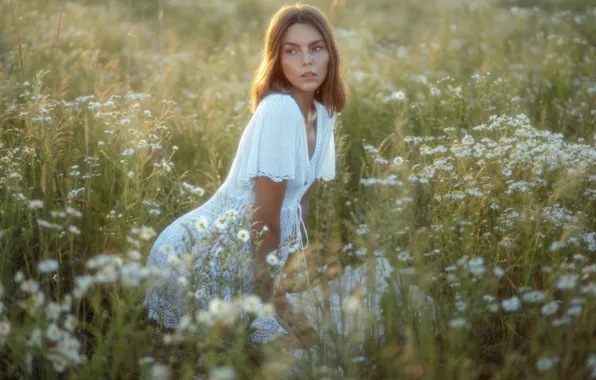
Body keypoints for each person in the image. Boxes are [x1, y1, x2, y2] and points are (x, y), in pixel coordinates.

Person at [143, 3, 348, 344]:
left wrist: (278, 289)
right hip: (198, 257)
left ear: (330, 53)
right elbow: (264, 218)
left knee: (319, 344)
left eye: (316, 48)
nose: (307, 61)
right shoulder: (279, 110)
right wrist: (262, 310)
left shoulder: (324, 113)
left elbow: (300, 207)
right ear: (277, 60)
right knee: (286, 357)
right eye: (292, 51)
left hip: (253, 259)